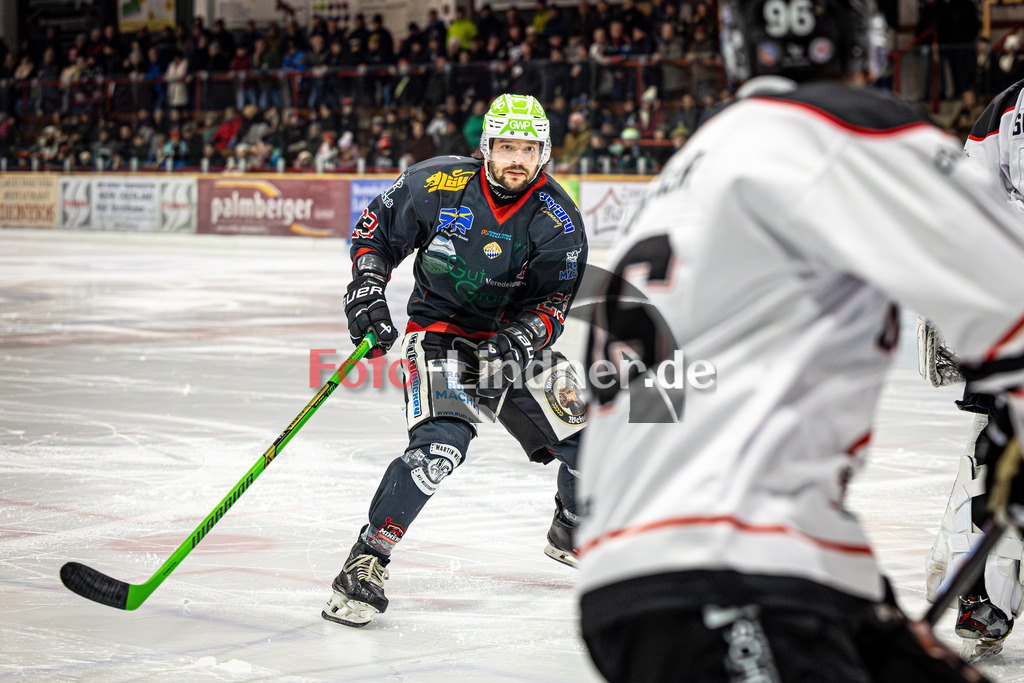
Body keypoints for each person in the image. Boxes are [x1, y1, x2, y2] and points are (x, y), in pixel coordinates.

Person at [575, 0, 1024, 680]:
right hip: (735, 568)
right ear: (863, 45)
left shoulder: (695, 162)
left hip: (656, 568)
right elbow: (1007, 287)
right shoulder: (843, 127)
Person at [323, 93, 588, 627]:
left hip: (508, 342)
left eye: (529, 148)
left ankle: (572, 525)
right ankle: (366, 560)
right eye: (506, 146)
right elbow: (374, 232)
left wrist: (520, 337)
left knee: (596, 444)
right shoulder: (436, 183)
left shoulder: (558, 220)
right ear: (486, 147)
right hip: (440, 336)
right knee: (440, 448)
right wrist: (368, 288)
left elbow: (553, 302)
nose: (518, 159)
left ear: (546, 153)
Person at [924, 75, 1024, 663]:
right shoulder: (1008, 105)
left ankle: (983, 597)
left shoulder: (1010, 103)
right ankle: (984, 597)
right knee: (997, 453)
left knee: (998, 453)